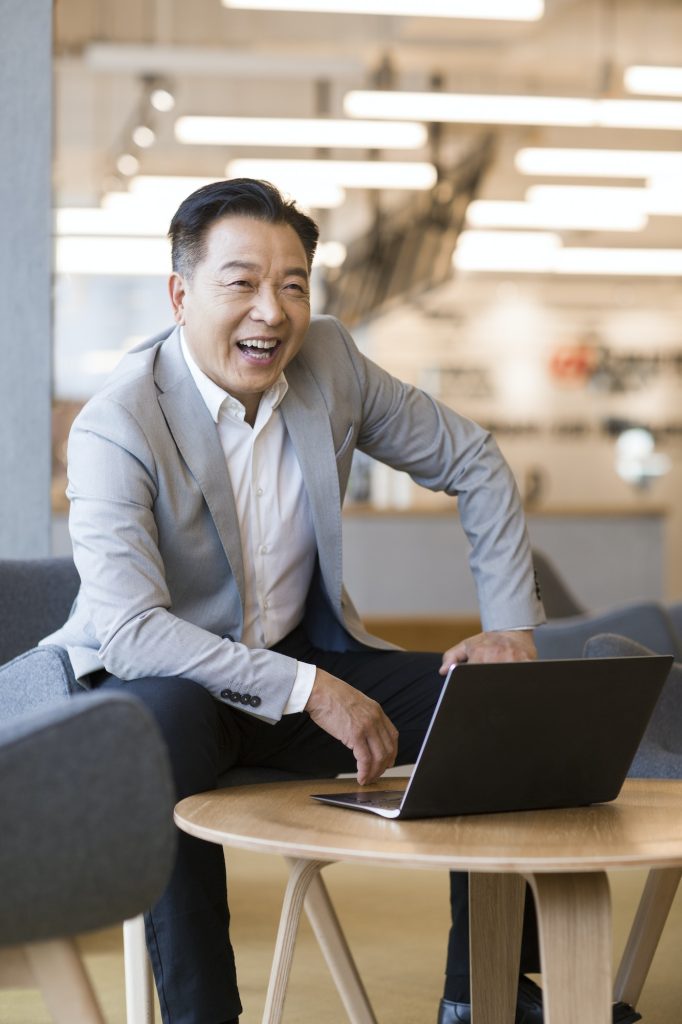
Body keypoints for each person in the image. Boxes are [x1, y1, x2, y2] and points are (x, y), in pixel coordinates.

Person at [44, 178, 546, 1024]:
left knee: (496, 705)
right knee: (159, 727)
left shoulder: (332, 362)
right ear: (180, 294)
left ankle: (484, 997)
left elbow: (475, 460)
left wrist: (508, 628)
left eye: (292, 284)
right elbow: (131, 632)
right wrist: (311, 690)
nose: (270, 312)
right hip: (159, 686)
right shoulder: (116, 425)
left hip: (294, 662)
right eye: (239, 283)